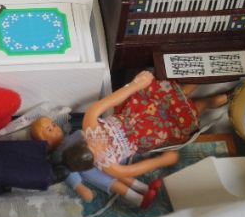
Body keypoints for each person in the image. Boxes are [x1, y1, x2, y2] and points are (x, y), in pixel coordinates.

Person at [80, 70, 228, 177]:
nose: (101, 146)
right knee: (191, 109)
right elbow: (134, 170)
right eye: (100, 153)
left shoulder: (90, 124)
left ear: (84, 140)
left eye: (93, 144)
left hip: (138, 111)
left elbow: (111, 100)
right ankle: (212, 98)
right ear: (96, 163)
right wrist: (162, 161)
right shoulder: (109, 166)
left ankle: (206, 74)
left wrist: (135, 85)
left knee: (178, 93)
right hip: (150, 130)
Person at [30, 116, 163, 209]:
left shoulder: (74, 134)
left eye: (53, 125)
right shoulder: (57, 155)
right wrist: (79, 187)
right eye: (49, 130)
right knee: (113, 183)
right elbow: (67, 172)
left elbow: (89, 135)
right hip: (88, 170)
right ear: (45, 142)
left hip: (100, 157)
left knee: (118, 174)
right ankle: (138, 200)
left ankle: (144, 188)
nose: (56, 128)